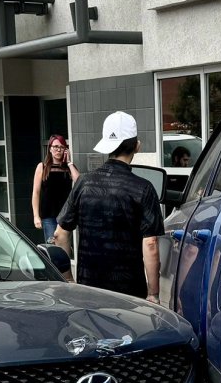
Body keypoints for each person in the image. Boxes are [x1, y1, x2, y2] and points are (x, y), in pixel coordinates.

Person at [52, 111, 164, 302]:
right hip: (130, 294)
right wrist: (153, 293)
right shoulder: (143, 188)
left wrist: (68, 278)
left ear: (107, 146)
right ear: (137, 146)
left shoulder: (83, 183)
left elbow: (60, 234)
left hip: (89, 290)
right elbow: (150, 243)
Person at [31, 135, 80, 243]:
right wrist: (36, 216)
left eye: (62, 147)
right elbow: (36, 192)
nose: (58, 149)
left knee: (63, 245)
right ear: (50, 148)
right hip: (48, 215)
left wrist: (69, 162)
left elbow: (79, 182)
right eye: (55, 146)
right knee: (53, 246)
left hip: (65, 215)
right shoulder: (42, 167)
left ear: (66, 150)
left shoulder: (68, 168)